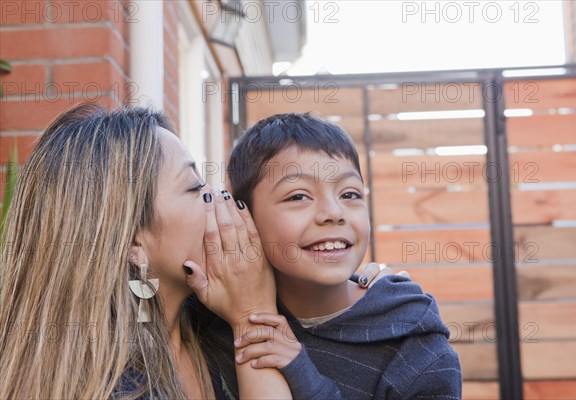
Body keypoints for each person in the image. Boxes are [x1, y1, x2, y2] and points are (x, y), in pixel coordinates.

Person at [0, 104, 293, 399]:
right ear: (132, 245)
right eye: (195, 188)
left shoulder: (213, 332)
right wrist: (253, 316)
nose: (220, 198)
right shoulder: (114, 389)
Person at [221, 112, 462, 398]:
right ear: (243, 216)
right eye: (298, 196)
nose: (334, 213)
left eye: (349, 194)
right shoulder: (219, 320)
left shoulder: (417, 350)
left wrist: (302, 374)